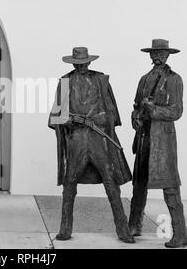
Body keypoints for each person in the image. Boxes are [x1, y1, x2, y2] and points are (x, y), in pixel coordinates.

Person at [48, 47, 134, 243]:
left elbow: (112, 114)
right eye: (78, 64)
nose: (81, 67)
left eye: (84, 63)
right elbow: (56, 117)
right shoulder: (65, 82)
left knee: (111, 182)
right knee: (70, 183)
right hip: (77, 139)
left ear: (89, 62)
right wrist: (72, 120)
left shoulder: (101, 81)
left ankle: (123, 229)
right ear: (73, 63)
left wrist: (98, 118)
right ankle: (65, 229)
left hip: (98, 138)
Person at [129, 39, 187, 248]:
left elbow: (176, 111)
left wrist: (153, 110)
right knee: (139, 184)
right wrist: (136, 117)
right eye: (155, 53)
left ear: (168, 55)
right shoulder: (144, 79)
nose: (158, 57)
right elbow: (136, 105)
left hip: (162, 142)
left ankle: (180, 234)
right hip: (144, 137)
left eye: (162, 53)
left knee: (170, 187)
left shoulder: (174, 79)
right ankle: (134, 225)